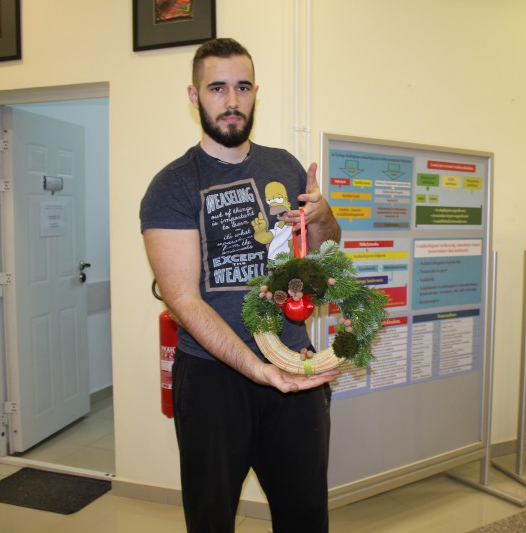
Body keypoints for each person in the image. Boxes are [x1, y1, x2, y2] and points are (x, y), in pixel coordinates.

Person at [140, 38, 341, 533]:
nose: (232, 101)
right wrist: (257, 368)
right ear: (195, 96)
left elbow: (323, 254)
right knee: (211, 519)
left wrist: (322, 215)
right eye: (218, 88)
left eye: (243, 87)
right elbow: (182, 299)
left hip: (293, 366)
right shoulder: (172, 186)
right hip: (213, 380)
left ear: (255, 93)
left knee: (306, 515)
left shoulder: (285, 166)